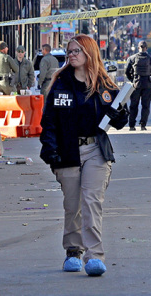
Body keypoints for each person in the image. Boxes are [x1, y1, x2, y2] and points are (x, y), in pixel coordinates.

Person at [39, 34, 128, 277]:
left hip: (96, 151)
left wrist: (120, 115)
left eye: (77, 50)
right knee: (73, 205)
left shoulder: (104, 85)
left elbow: (120, 118)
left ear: (89, 53)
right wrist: (49, 150)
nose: (72, 55)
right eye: (69, 51)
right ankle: (73, 250)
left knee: (92, 202)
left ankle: (94, 256)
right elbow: (48, 122)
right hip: (67, 151)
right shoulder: (60, 83)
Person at [124, 40, 151, 131]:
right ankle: (143, 125)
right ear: (146, 48)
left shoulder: (132, 58)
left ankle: (132, 125)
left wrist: (132, 79)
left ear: (138, 48)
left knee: (133, 105)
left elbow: (126, 71)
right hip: (147, 84)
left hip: (136, 83)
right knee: (145, 106)